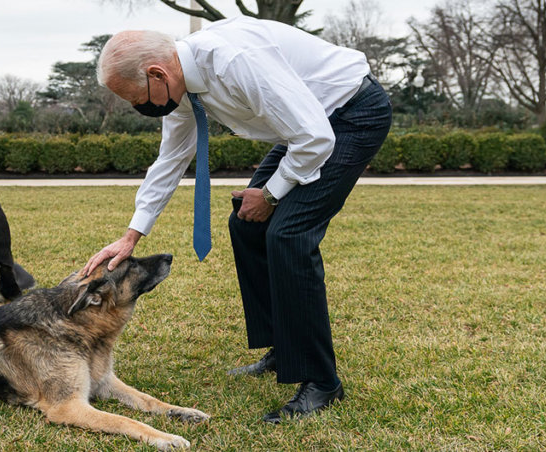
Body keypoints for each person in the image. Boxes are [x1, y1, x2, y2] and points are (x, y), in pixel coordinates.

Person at [83, 16, 392, 423]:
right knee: (248, 225)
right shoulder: (181, 88)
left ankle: (322, 382)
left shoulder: (234, 61)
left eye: (136, 98)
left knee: (289, 235)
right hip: (306, 127)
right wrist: (131, 238)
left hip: (349, 116)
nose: (139, 107)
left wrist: (270, 194)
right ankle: (285, 349)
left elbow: (316, 137)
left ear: (157, 73)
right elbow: (171, 159)